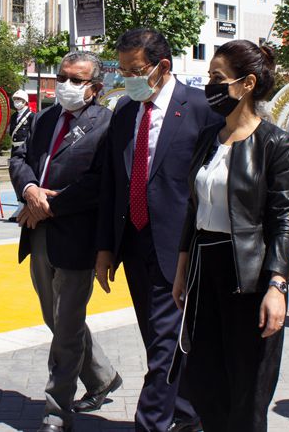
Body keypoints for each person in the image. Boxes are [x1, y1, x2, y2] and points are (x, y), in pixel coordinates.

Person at [170, 41, 289, 431]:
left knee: (247, 387)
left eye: (217, 78)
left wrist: (277, 284)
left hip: (249, 274)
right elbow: (193, 208)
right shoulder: (209, 137)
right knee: (204, 381)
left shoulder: (276, 144)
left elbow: (284, 221)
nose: (209, 86)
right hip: (204, 268)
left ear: (247, 84)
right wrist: (182, 268)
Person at [96, 28, 220, 432]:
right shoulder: (125, 112)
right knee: (156, 338)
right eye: (122, 70)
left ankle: (151, 423)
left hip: (180, 246)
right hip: (134, 244)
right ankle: (187, 414)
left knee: (165, 346)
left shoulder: (201, 108)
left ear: (163, 67)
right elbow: (113, 183)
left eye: (135, 71)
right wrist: (105, 249)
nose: (127, 79)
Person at [9, 52, 121, 432]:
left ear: (95, 87)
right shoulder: (44, 118)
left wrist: (48, 206)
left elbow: (98, 182)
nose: (66, 85)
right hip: (38, 233)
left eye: (76, 80)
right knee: (53, 318)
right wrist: (28, 191)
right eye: (62, 77)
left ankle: (57, 410)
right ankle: (103, 376)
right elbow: (19, 156)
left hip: (76, 239)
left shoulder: (108, 125)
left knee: (68, 327)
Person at [9, 89, 34, 156]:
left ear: (24, 101)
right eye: (15, 99)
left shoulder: (31, 116)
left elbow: (34, 135)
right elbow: (11, 133)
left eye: (19, 99)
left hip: (25, 150)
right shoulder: (13, 116)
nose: (16, 101)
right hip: (14, 150)